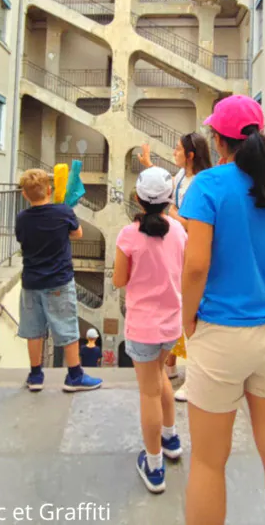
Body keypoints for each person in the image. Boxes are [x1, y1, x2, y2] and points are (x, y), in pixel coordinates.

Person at [180, 95, 265, 525]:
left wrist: (186, 318)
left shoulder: (208, 186)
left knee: (208, 462)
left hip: (221, 333)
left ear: (218, 140)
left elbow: (196, 264)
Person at [113, 167, 187, 494]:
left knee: (149, 392)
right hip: (172, 323)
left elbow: (118, 280)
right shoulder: (179, 231)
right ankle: (170, 438)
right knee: (159, 379)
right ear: (169, 198)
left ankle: (154, 465)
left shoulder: (128, 235)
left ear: (138, 199)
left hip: (143, 326)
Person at [137, 134, 212, 401]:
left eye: (179, 149)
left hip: (196, 254)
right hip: (182, 251)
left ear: (191, 155)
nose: (175, 152)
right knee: (179, 310)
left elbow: (196, 223)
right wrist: (148, 165)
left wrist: (172, 215)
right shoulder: (181, 176)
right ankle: (170, 367)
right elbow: (163, 188)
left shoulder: (203, 182)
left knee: (195, 315)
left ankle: (195, 378)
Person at [16, 169, 102, 393]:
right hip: (58, 281)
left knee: (33, 330)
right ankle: (74, 376)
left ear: (25, 195)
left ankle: (35, 376)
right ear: (50, 190)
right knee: (67, 327)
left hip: (31, 281)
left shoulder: (22, 218)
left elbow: (21, 238)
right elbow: (78, 233)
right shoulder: (63, 212)